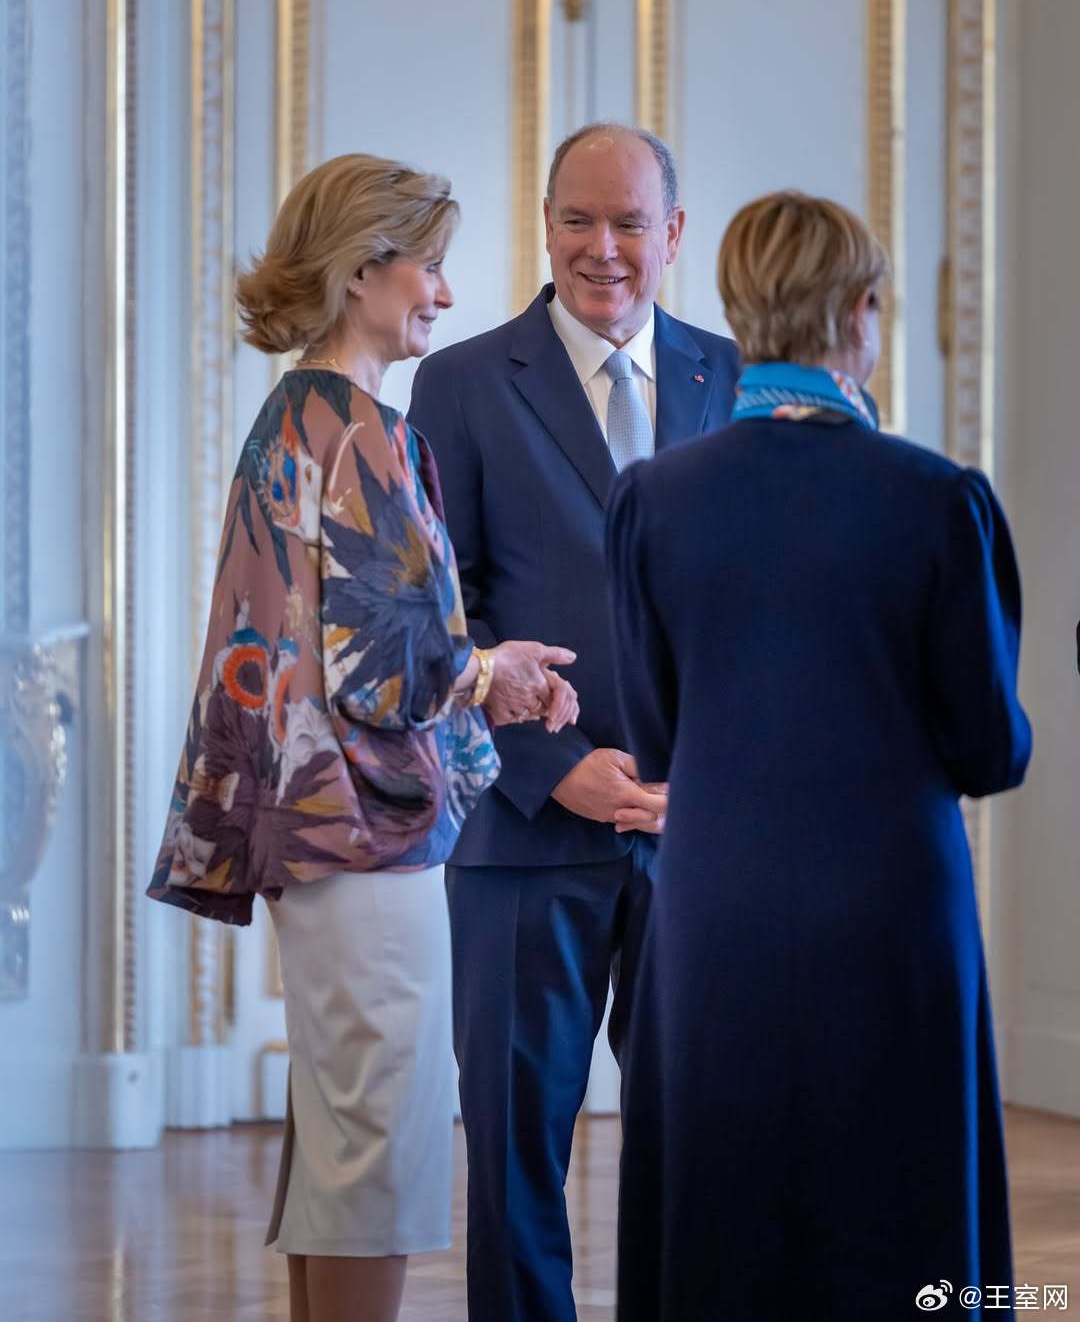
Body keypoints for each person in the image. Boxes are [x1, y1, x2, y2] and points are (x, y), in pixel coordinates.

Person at [146, 153, 580, 1322]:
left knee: (342, 1131)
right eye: (428, 266)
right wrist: (494, 671)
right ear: (359, 272)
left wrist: (479, 673)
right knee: (377, 1141)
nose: (445, 291)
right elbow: (385, 663)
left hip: (309, 827)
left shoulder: (295, 416)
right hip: (363, 830)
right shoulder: (362, 432)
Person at [606, 190, 1032, 1322]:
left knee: (721, 1196)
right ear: (858, 312)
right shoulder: (939, 500)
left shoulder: (653, 500)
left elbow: (656, 736)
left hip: (717, 904)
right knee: (905, 1204)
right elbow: (989, 751)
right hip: (893, 908)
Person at [407, 123, 739, 1322]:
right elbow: (439, 614)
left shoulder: (730, 376)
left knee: (699, 1146)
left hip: (695, 832)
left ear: (673, 233)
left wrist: (711, 775)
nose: (602, 249)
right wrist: (555, 767)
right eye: (576, 221)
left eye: (629, 223)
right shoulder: (459, 383)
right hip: (521, 835)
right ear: (545, 225)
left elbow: (755, 600)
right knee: (513, 1156)